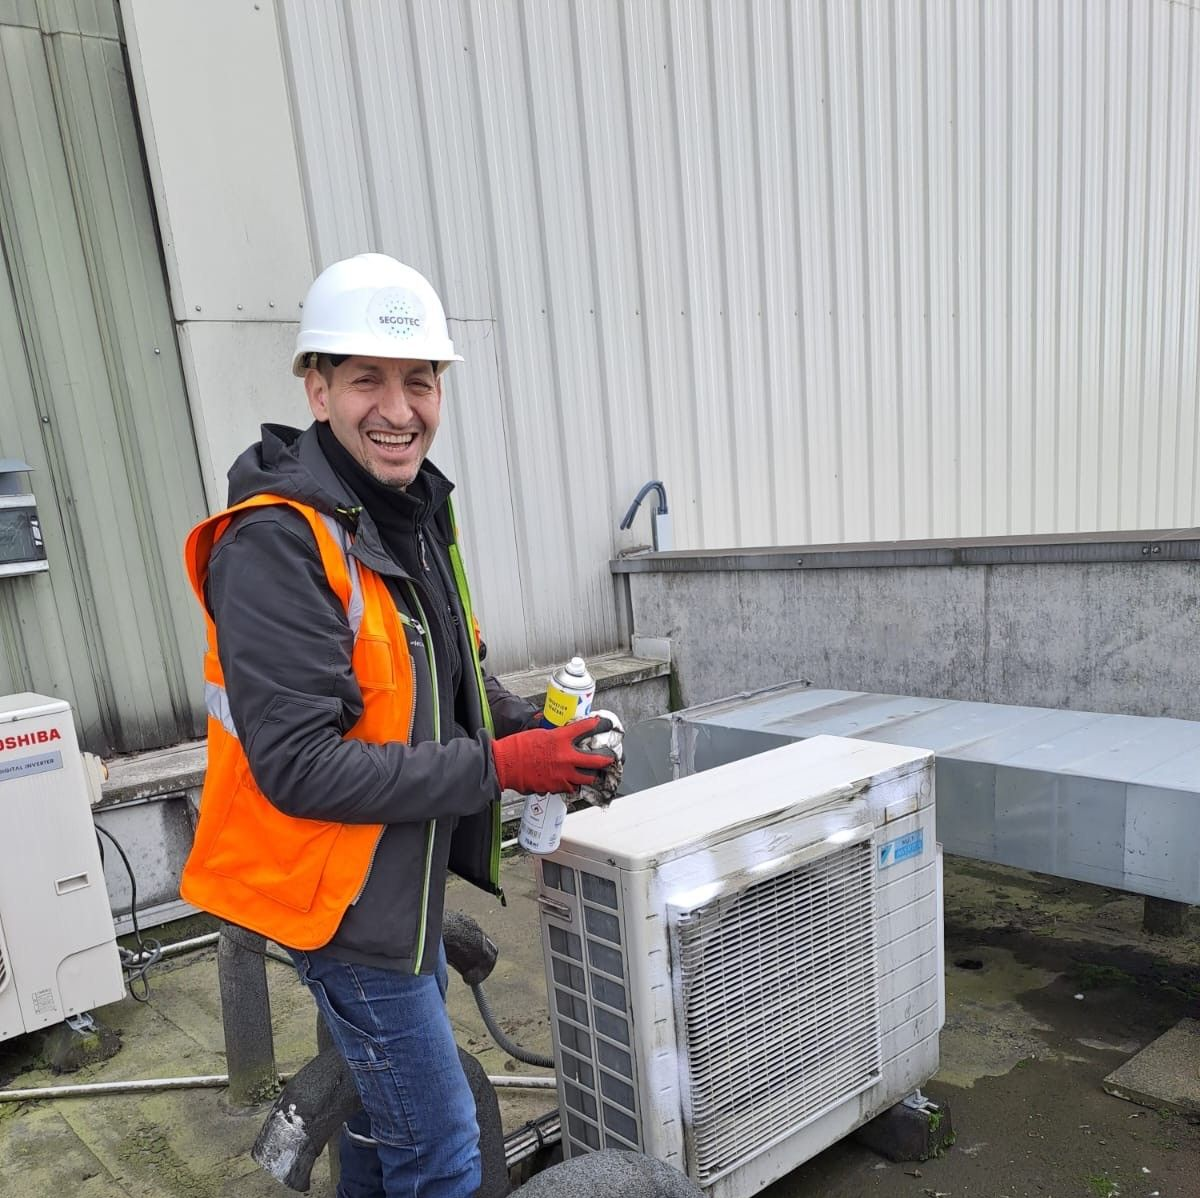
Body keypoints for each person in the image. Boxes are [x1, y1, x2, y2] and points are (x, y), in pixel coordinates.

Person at [179, 253, 618, 1198]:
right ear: (318, 386)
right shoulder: (278, 543)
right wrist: (504, 766)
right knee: (445, 1152)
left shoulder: (410, 512)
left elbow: (444, 681)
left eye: (419, 381)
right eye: (367, 378)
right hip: (337, 907)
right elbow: (302, 768)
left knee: (382, 1133)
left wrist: (544, 732)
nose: (399, 408)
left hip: (389, 880)